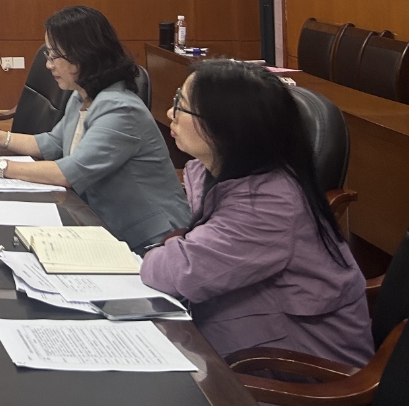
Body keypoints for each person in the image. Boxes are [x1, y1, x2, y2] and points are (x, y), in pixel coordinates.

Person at [140, 61, 373, 365]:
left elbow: (181, 273)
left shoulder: (268, 205)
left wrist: (167, 249)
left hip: (296, 372)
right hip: (242, 343)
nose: (171, 113)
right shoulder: (220, 176)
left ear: (225, 128)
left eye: (181, 106)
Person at [0, 5, 188, 250]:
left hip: (154, 240)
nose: (49, 65)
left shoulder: (121, 110)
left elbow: (68, 172)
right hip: (99, 221)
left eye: (54, 56)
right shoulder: (81, 96)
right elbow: (52, 143)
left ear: (84, 54)